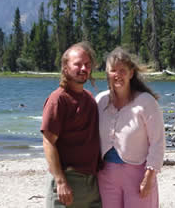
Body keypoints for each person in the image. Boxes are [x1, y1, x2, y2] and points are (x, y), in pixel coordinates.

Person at [95, 47, 165, 208]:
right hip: (106, 175)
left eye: (122, 70)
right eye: (113, 70)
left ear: (131, 73)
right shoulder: (100, 101)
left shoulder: (146, 102)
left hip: (138, 174)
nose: (117, 75)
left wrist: (149, 176)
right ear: (107, 73)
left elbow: (157, 142)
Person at [41, 42, 102, 208]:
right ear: (65, 68)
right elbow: (48, 141)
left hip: (91, 183)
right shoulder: (58, 99)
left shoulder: (90, 99)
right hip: (67, 181)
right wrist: (60, 181)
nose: (83, 68)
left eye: (87, 64)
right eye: (78, 64)